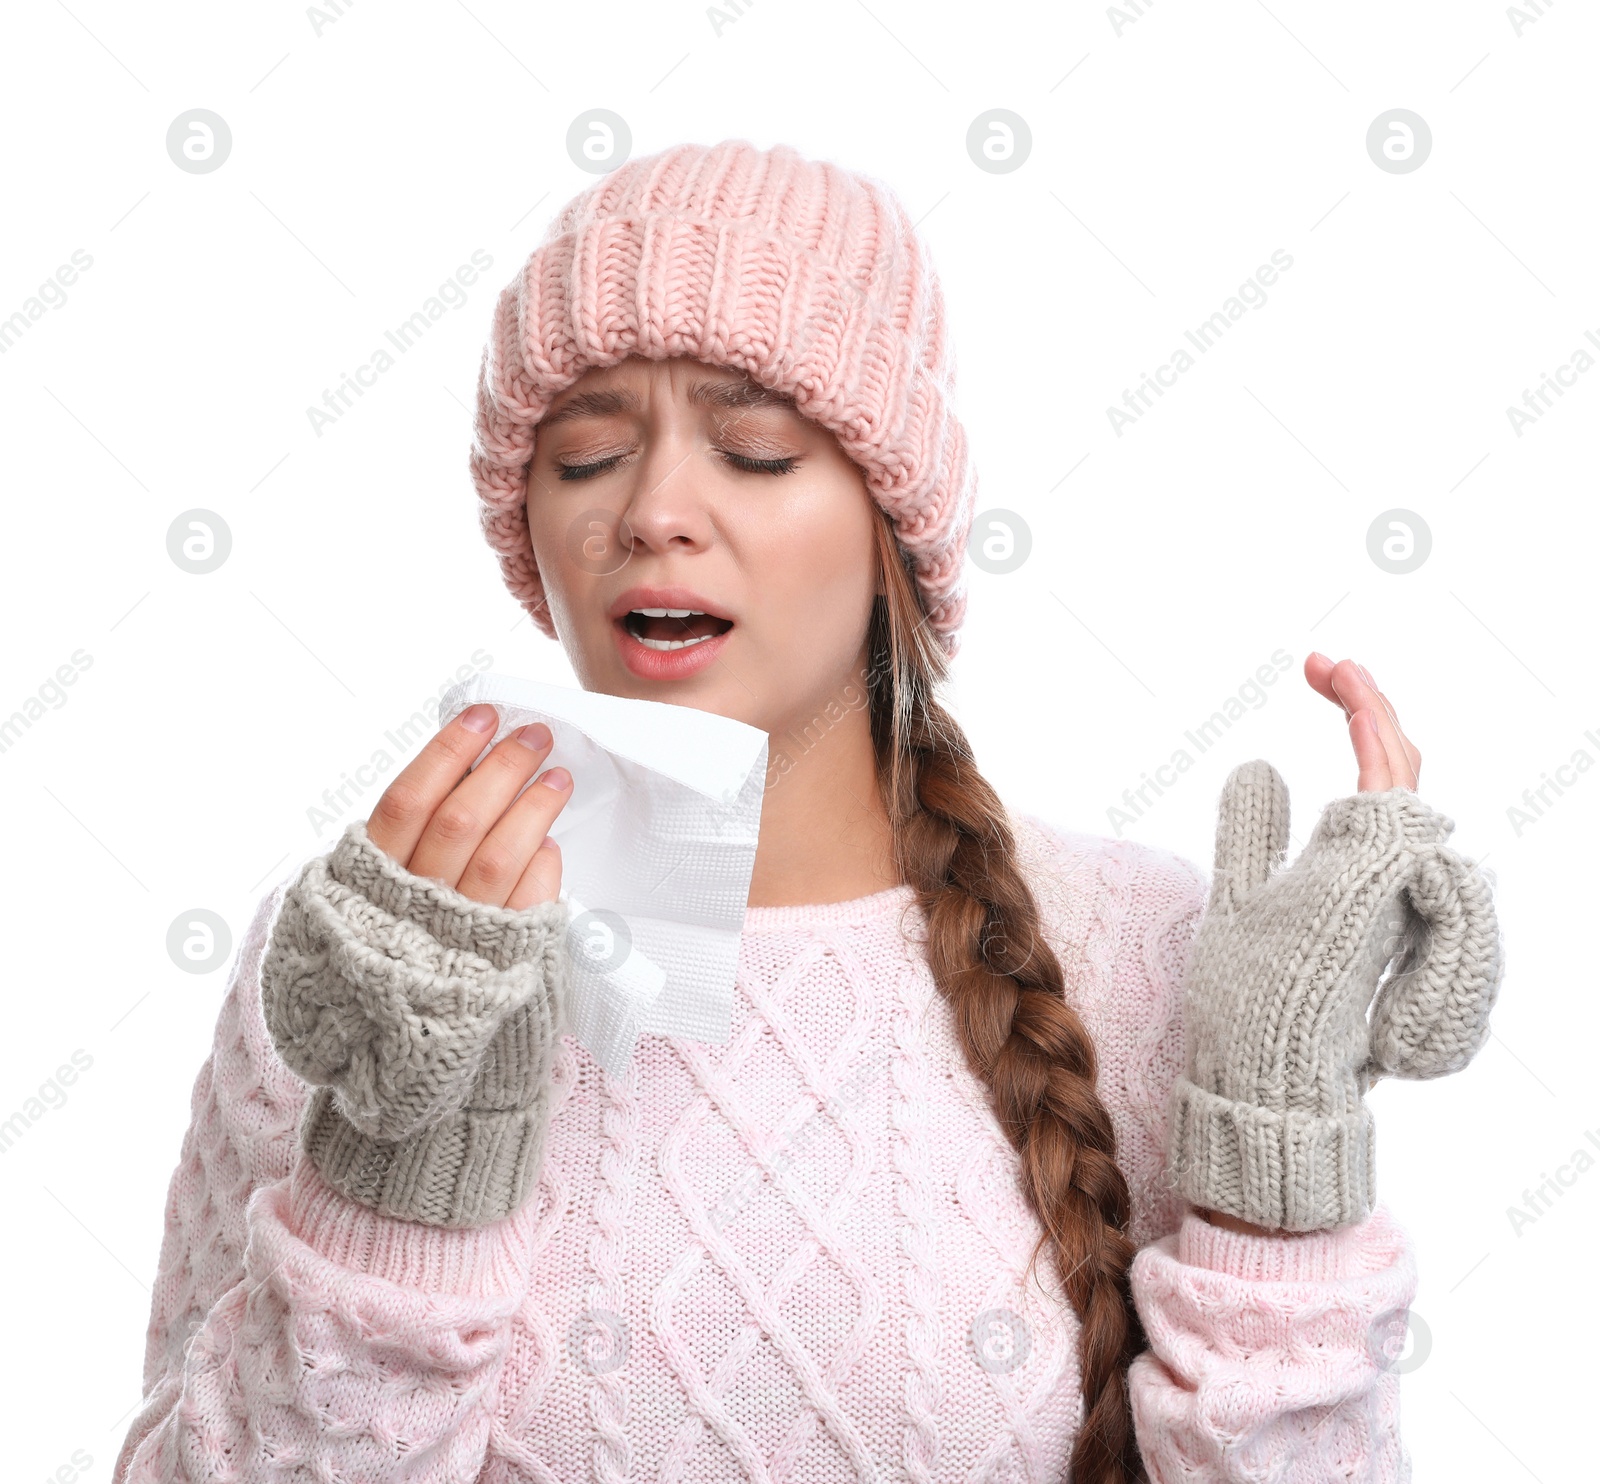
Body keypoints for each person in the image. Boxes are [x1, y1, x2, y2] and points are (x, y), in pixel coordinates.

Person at [114, 138, 1502, 1484]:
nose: (655, 509)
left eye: (758, 452)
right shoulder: (372, 956)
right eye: (587, 454)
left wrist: (1278, 1159)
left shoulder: (1143, 955)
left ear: (896, 521)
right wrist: (393, 1193)